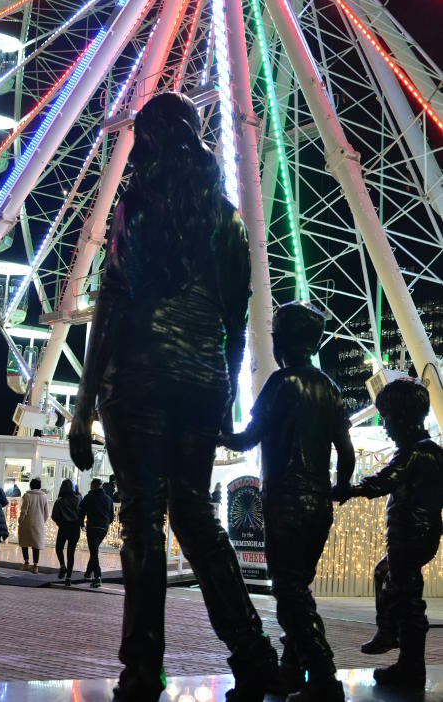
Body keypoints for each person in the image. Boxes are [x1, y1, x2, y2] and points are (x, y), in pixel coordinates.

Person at [69, 92, 282, 702]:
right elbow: (237, 317)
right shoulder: (227, 216)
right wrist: (227, 400)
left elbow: (110, 305)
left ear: (153, 141)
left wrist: (83, 409)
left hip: (139, 376)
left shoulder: (135, 204)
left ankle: (142, 670)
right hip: (202, 378)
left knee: (142, 522)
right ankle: (254, 654)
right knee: (197, 517)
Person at [221, 302, 356, 702]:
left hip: (284, 501)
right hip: (318, 505)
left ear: (282, 342)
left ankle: (324, 675)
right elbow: (346, 454)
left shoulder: (280, 384)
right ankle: (292, 668)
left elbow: (249, 438)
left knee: (290, 590)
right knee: (297, 588)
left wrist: (220, 432)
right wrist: (340, 485)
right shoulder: (329, 388)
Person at [339, 378, 443, 690]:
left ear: (402, 418)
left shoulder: (414, 452)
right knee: (387, 576)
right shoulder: (432, 452)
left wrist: (350, 489)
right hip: (419, 535)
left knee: (402, 594)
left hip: (410, 536)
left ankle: (406, 661)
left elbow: (385, 479)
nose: (385, 427)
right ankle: (389, 636)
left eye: (387, 419)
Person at [79, 477, 114, 588]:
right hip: (103, 528)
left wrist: (82, 524)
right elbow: (112, 516)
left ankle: (97, 576)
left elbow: (81, 512)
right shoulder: (108, 499)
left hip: (92, 527)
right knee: (94, 550)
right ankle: (88, 572)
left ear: (92, 486)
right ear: (101, 486)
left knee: (94, 551)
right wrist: (106, 524)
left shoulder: (88, 497)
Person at [52, 479, 81, 586]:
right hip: (75, 528)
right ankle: (68, 577)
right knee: (71, 552)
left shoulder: (59, 501)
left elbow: (54, 516)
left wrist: (60, 523)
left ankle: (62, 565)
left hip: (63, 527)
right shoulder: (78, 498)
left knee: (59, 547)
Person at [18, 477, 49, 573]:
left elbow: (24, 511)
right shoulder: (44, 496)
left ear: (31, 486)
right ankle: (35, 566)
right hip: (38, 524)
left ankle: (26, 563)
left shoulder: (27, 496)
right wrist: (41, 521)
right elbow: (46, 513)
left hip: (27, 523)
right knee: (36, 545)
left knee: (24, 543)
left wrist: (20, 520)